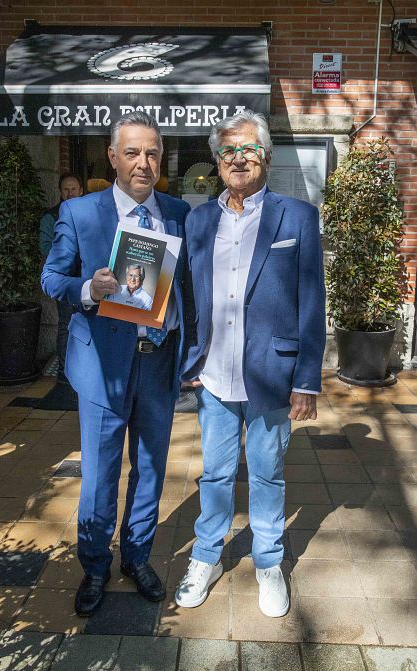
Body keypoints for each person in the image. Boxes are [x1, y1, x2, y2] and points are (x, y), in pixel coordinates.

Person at [176, 110, 326, 618]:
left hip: (271, 377)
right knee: (215, 476)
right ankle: (206, 556)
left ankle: (267, 563)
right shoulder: (199, 220)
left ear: (266, 154)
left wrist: (307, 378)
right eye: (227, 152)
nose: (238, 159)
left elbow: (312, 303)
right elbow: (188, 297)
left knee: (266, 476)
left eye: (248, 149)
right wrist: (188, 359)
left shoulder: (297, 217)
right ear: (217, 162)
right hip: (214, 377)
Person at [41, 111, 190, 616]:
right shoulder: (81, 214)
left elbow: (186, 288)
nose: (142, 163)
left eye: (151, 152)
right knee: (102, 475)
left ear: (161, 157)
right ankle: (95, 567)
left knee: (150, 470)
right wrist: (89, 288)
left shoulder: (178, 212)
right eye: (132, 152)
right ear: (112, 156)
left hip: (157, 366)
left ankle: (138, 557)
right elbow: (51, 278)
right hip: (103, 367)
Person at [39, 172, 83, 382]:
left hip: (90, 280)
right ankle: (65, 372)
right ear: (60, 192)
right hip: (65, 281)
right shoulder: (51, 217)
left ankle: (85, 370)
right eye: (66, 189)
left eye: (74, 189)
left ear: (81, 191)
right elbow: (45, 247)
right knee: (65, 325)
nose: (70, 193)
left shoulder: (89, 214)